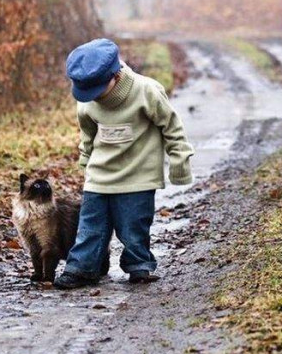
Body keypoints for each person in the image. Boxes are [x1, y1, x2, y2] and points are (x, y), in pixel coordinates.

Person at [54, 38, 194, 289]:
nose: (92, 98)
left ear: (115, 75)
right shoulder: (87, 100)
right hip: (100, 174)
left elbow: (172, 127)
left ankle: (138, 265)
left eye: (97, 90)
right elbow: (87, 133)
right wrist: (85, 159)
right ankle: (81, 267)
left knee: (133, 226)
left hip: (138, 175)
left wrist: (179, 159)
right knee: (90, 226)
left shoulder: (147, 91)